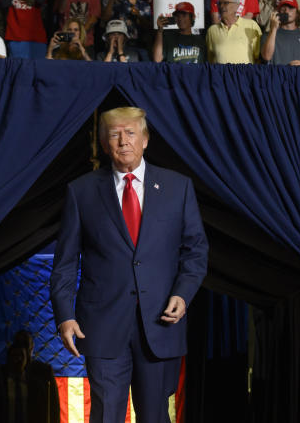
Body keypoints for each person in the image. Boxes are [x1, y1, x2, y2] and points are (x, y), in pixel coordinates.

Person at [51, 107, 208, 423]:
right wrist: (65, 316)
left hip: (160, 326)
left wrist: (183, 294)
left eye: (131, 133)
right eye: (114, 134)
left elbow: (196, 251)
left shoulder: (179, 188)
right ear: (105, 144)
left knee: (155, 417)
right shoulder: (81, 192)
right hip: (102, 326)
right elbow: (65, 262)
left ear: (146, 139)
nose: (123, 141)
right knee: (106, 414)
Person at [206, 0, 262, 64]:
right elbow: (211, 59)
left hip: (245, 74)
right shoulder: (212, 30)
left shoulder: (251, 25)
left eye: (226, 3)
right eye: (219, 3)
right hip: (220, 74)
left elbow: (259, 57)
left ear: (237, 5)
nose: (221, 6)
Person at [259, 0, 300, 66]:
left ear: (297, 13)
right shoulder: (268, 35)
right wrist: (273, 29)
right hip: (277, 76)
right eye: (283, 8)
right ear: (277, 12)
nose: (286, 11)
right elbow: (266, 57)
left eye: (291, 8)